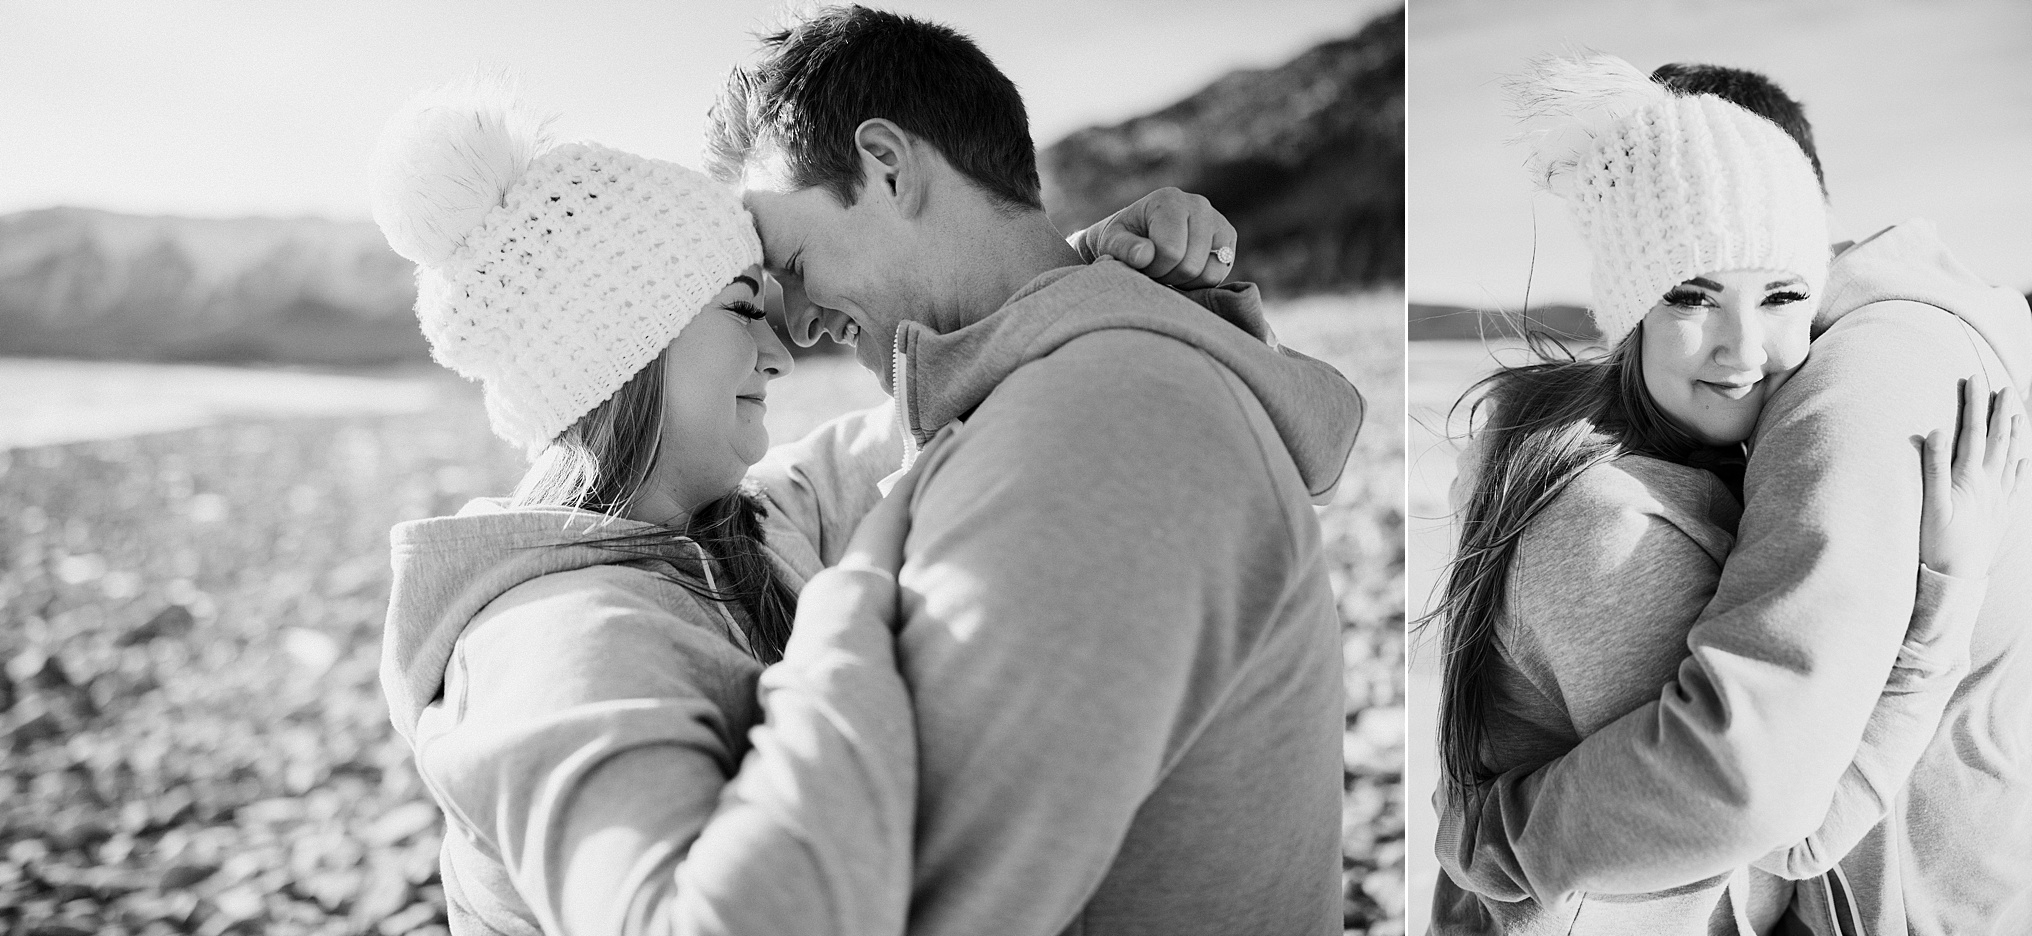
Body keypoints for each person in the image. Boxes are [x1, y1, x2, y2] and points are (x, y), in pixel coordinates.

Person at [367, 77, 1298, 934]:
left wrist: (1079, 273)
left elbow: (937, 410)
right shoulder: (557, 643)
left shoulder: (746, 527)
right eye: (742, 307)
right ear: (623, 355)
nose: (780, 350)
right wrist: (854, 605)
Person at [704, 7, 1366, 935]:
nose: (801, 323)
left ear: (888, 167)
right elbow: (831, 472)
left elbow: (916, 906)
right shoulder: (1036, 391)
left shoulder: (1101, 431)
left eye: (797, 263)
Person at [1432, 52, 2032, 935]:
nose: (1742, 348)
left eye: (1783, 295)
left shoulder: (1655, 463)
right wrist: (1942, 601)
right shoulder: (1615, 526)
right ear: (1628, 303)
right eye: (1692, 294)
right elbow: (1774, 824)